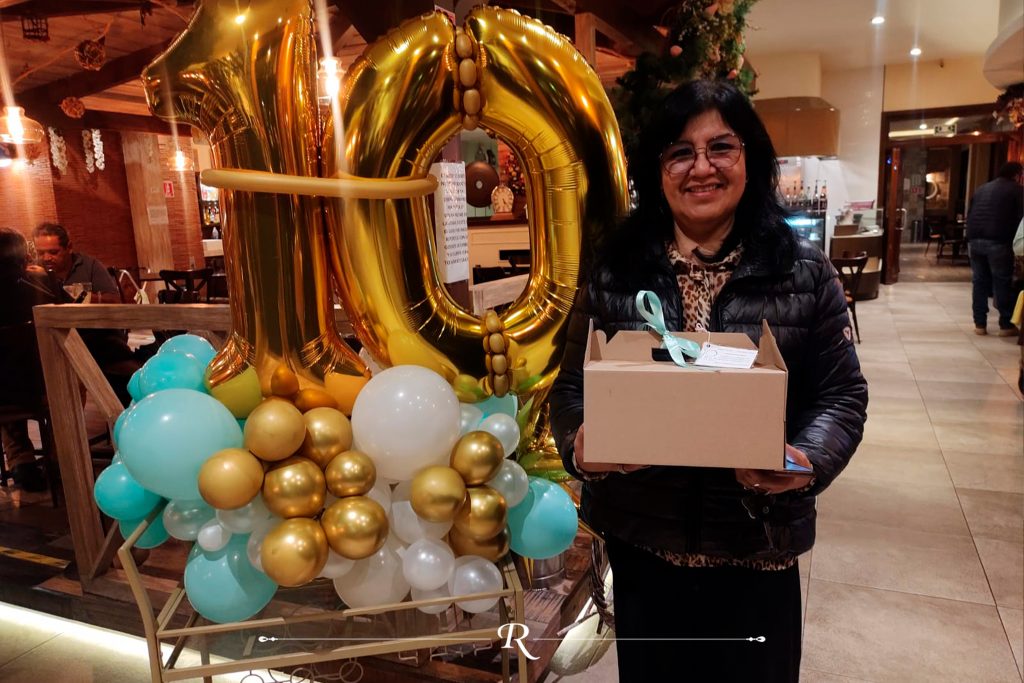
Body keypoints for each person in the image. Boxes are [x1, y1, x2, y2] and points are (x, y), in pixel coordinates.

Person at [549, 80, 868, 682]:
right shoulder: (616, 272)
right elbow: (568, 391)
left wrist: (805, 460)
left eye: (721, 147)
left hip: (758, 550)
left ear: (751, 158)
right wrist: (581, 446)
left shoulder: (803, 272)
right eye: (680, 152)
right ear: (657, 171)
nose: (701, 168)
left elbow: (841, 395)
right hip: (644, 548)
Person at [32, 222, 139, 405]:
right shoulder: (34, 273)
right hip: (57, 342)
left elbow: (115, 300)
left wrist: (80, 295)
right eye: (40, 253)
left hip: (98, 337)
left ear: (69, 247)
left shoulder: (89, 266)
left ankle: (124, 411)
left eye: (53, 252)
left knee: (123, 372)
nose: (46, 258)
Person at [0, 228, 61, 492]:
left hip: (3, 392)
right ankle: (60, 455)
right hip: (39, 390)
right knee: (70, 380)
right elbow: (69, 314)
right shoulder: (37, 285)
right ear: (25, 257)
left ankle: (21, 460)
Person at [966, 161, 1024, 336]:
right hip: (998, 241)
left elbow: (971, 213)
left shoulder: (982, 189)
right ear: (1017, 175)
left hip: (974, 240)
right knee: (1002, 282)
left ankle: (979, 324)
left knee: (979, 282)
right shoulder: (1017, 190)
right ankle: (1006, 325)